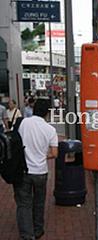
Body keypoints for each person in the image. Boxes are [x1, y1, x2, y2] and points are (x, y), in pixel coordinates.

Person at [14, 99, 58, 240]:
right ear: (47, 113)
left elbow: (16, 141)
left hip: (23, 171)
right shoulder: (50, 130)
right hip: (40, 172)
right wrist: (41, 156)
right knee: (39, 202)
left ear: (33, 109)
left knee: (24, 203)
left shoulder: (24, 123)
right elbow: (54, 153)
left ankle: (27, 235)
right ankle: (38, 230)